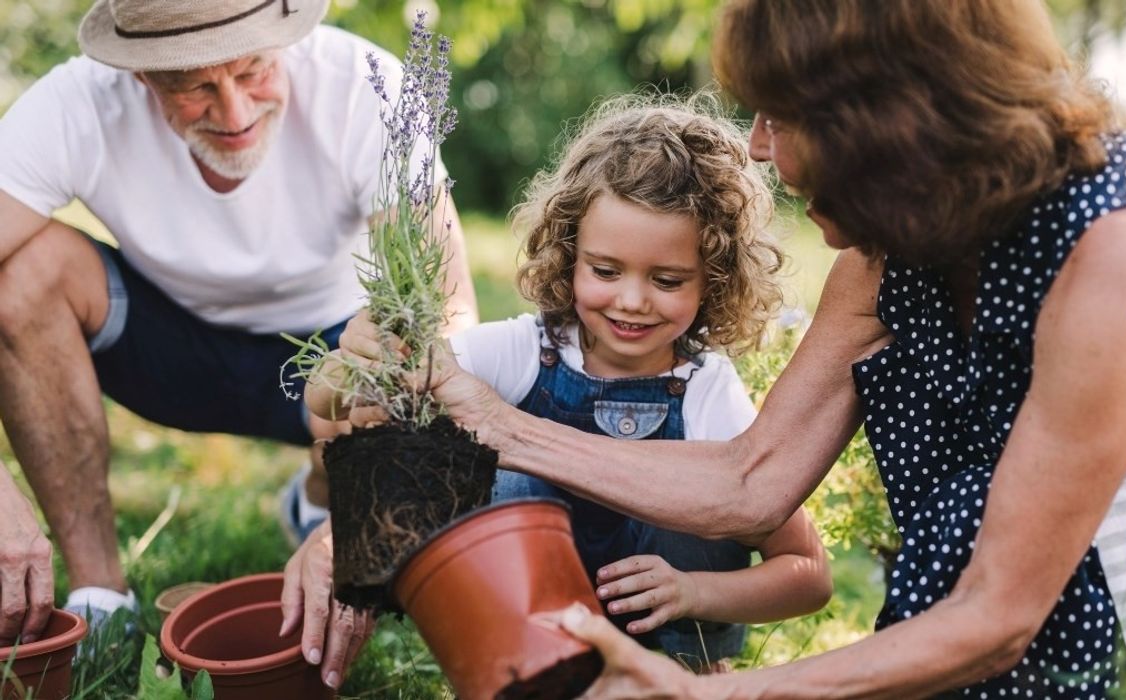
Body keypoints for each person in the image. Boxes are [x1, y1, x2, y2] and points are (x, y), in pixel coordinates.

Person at [300, 0, 1126, 696]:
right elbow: (750, 481)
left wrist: (704, 691)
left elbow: (998, 614)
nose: (754, 149)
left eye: (781, 119)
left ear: (889, 127)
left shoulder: (1122, 257)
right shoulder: (891, 257)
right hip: (988, 616)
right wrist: (367, 516)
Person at [286, 97, 832, 684]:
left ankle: (689, 671)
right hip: (529, 639)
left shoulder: (706, 393)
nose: (631, 299)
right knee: (503, 475)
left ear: (715, 279)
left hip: (663, 651)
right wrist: (350, 360)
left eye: (667, 280)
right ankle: (514, 667)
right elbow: (335, 402)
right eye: (604, 270)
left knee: (701, 490)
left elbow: (809, 573)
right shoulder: (525, 350)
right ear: (570, 257)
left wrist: (695, 591)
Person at [0, 0, 477, 646]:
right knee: (24, 272)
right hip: (166, 350)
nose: (235, 113)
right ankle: (102, 598)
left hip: (332, 363)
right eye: (194, 86)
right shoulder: (79, 102)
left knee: (401, 340)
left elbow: (447, 313)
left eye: (253, 70)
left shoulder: (364, 85)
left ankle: (320, 490)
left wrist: (360, 521)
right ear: (142, 74)